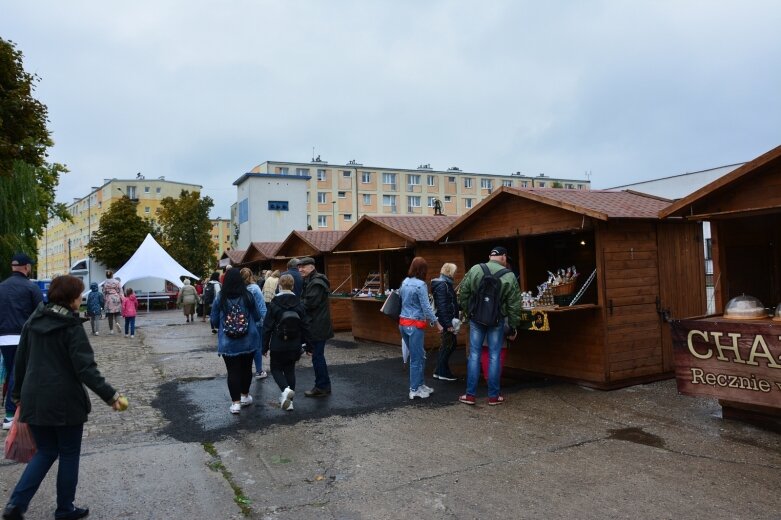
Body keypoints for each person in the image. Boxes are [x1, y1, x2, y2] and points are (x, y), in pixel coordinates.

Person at [2, 275, 125, 520]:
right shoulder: (71, 327)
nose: (81, 299)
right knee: (68, 453)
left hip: (34, 400)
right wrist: (111, 396)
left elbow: (20, 363)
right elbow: (86, 369)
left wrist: (17, 396)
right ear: (70, 299)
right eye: (79, 295)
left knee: (46, 452)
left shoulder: (32, 321)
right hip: (65, 402)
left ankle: (16, 504)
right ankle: (65, 508)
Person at [457, 246, 521, 406]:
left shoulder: (475, 269)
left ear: (490, 256)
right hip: (497, 320)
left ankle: (470, 395)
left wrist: (468, 311)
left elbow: (463, 293)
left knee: (474, 355)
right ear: (504, 257)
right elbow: (514, 304)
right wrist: (513, 326)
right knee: (494, 356)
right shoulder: (510, 275)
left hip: (476, 319)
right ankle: (494, 396)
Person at [0, 253, 43, 431]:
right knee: (17, 373)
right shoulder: (30, 288)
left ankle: (17, 409)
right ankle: (10, 414)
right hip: (23, 336)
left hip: (3, 337)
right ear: (26, 267)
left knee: (11, 370)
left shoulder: (1, 287)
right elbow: (40, 313)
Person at [210, 268, 262, 414]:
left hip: (228, 342)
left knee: (232, 372)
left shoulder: (221, 297)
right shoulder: (248, 295)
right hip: (249, 340)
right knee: (246, 369)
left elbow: (213, 319)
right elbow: (257, 316)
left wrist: (220, 324)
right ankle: (245, 396)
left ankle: (235, 404)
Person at [262, 274, 310, 411]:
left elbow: (267, 327)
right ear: (293, 286)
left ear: (279, 286)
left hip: (278, 343)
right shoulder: (299, 303)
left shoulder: (274, 304)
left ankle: (284, 390)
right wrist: (309, 345)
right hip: (294, 344)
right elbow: (306, 325)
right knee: (290, 370)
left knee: (275, 368)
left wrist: (264, 346)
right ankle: (290, 402)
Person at [399, 257, 443, 400]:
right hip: (415, 325)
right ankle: (414, 389)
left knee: (419, 355)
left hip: (403, 324)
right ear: (423, 270)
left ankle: (420, 384)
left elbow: (401, 300)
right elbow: (426, 307)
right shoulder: (421, 285)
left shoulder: (404, 282)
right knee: (417, 358)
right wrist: (436, 323)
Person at [297, 257, 334, 397]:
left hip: (318, 325)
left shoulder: (316, 282)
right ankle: (323, 385)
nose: (300, 269)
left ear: (312, 267)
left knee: (317, 357)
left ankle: (322, 386)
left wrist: (297, 304)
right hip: (316, 323)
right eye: (299, 267)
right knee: (317, 356)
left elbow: (309, 303)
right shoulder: (311, 281)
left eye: (303, 267)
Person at [431, 262, 459, 382]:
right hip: (446, 321)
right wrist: (448, 325)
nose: (455, 274)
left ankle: (440, 371)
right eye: (454, 272)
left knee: (447, 345)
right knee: (449, 346)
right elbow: (442, 306)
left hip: (445, 319)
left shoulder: (443, 284)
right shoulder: (444, 285)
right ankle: (442, 372)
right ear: (450, 272)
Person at [240, 268, 268, 380]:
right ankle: (259, 371)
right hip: (256, 322)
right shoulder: (255, 288)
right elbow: (261, 306)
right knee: (257, 346)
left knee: (244, 346)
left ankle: (244, 370)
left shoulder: (239, 289)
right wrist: (266, 320)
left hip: (242, 322)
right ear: (251, 275)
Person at [102, 270, 123, 335]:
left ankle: (111, 330)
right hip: (116, 298)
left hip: (108, 298)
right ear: (112, 275)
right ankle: (118, 324)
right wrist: (121, 298)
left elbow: (104, 292)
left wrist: (104, 299)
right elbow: (120, 290)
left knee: (110, 315)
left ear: (106, 275)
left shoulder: (105, 283)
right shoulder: (117, 282)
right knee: (117, 313)